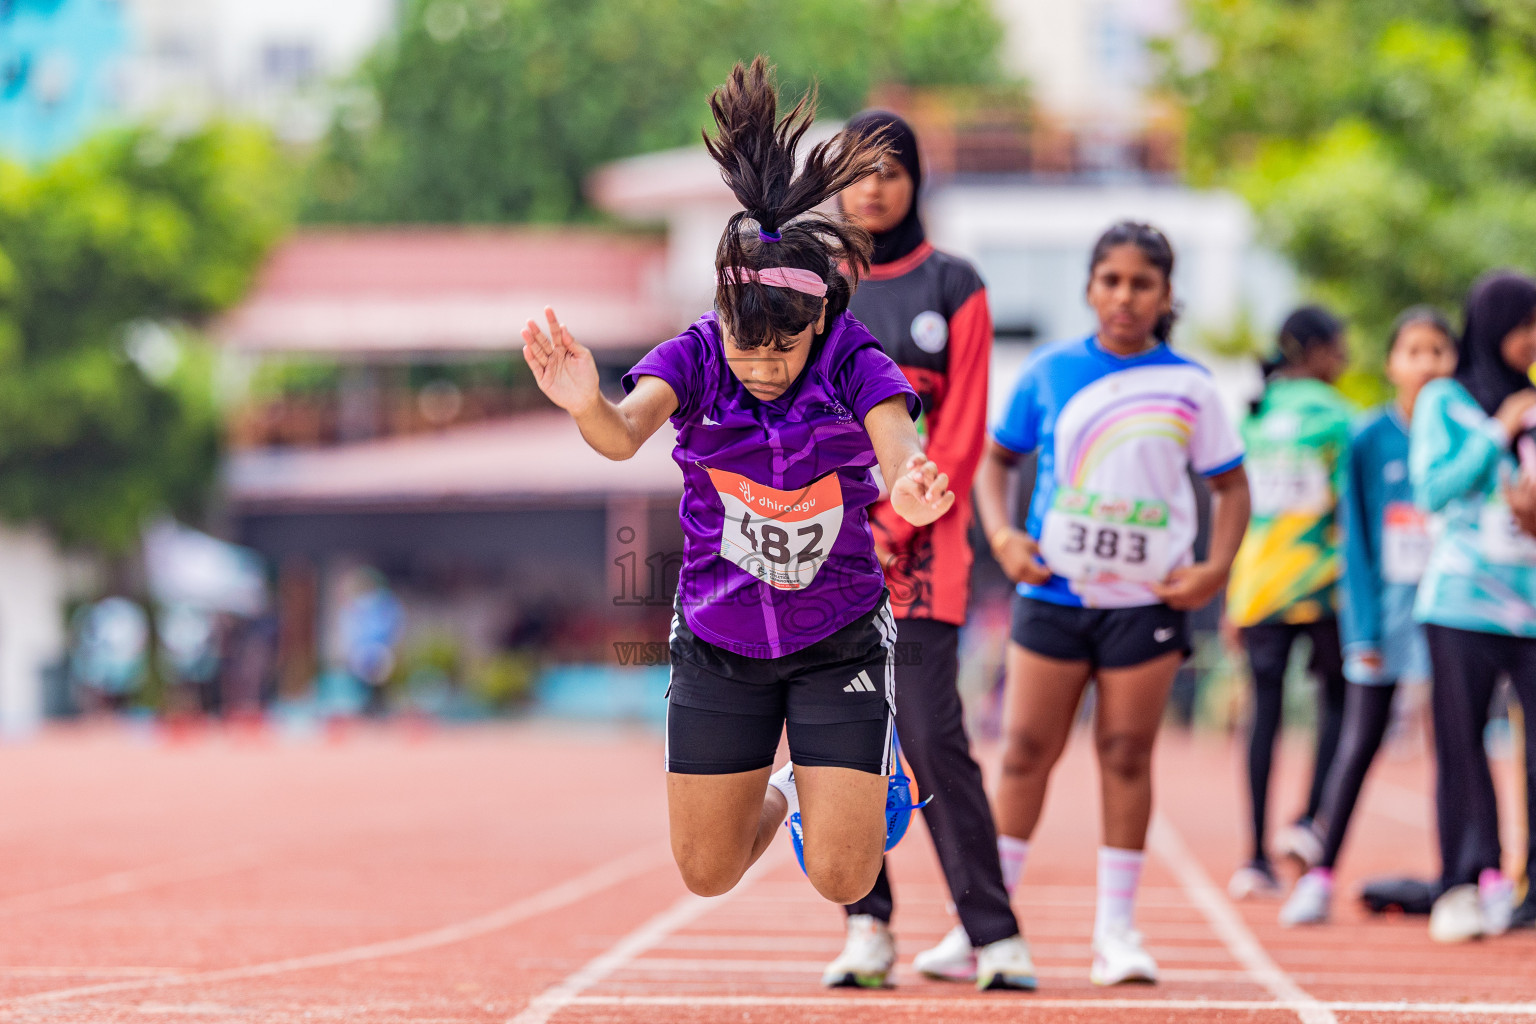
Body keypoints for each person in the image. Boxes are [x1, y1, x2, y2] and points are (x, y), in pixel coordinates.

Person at [518, 59, 979, 924]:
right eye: (746, 344)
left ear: (821, 322)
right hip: (719, 637)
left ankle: (842, 782)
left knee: (845, 879)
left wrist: (916, 491)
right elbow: (621, 435)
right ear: (721, 317)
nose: (762, 366)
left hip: (836, 636)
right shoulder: (694, 353)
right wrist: (587, 401)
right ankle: (792, 782)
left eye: (783, 348)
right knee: (707, 871)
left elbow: (899, 451)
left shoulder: (853, 359)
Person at [976, 221, 1250, 986]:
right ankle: (989, 930)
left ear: (1166, 295)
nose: (1124, 297)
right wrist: (1002, 537)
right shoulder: (1047, 372)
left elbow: (1231, 486)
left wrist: (1214, 569)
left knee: (1126, 755)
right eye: (1111, 280)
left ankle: (1117, 933)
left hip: (1147, 602)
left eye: (1142, 284)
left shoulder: (1193, 386)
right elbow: (994, 464)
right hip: (1053, 593)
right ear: (1090, 286)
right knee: (1027, 750)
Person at [809, 109, 1030, 991]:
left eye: (891, 169)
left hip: (927, 548)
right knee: (840, 738)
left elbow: (965, 429)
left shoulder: (955, 284)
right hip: (827, 544)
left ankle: (995, 933)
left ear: (917, 181)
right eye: (858, 170)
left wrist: (902, 521)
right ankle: (867, 927)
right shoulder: (813, 283)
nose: (873, 186)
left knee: (933, 735)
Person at [1278, 307, 1456, 926]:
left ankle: (1464, 876)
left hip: (1452, 616)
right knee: (1358, 743)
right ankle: (1321, 875)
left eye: (1440, 351)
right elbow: (1353, 542)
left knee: (1455, 750)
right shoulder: (1367, 436)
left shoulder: (1468, 432)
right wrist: (1361, 630)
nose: (1428, 363)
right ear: (1391, 363)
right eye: (1414, 351)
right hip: (1384, 616)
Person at [1409, 270, 1536, 942]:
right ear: (1491, 325)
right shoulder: (1445, 402)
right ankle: (1461, 881)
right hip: (1460, 601)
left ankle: (1530, 890)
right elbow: (1431, 489)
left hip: (1532, 605)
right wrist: (1494, 434)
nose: (1531, 340)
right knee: (1462, 749)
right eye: (1523, 326)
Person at [1224, 306, 1353, 899]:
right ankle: (1308, 823)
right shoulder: (1341, 418)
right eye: (1340, 346)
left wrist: (1229, 593)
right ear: (1317, 350)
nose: (1346, 358)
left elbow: (1235, 511)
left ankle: (1253, 856)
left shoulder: (1253, 414)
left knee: (1264, 719)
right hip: (1326, 585)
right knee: (1339, 705)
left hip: (1257, 587)